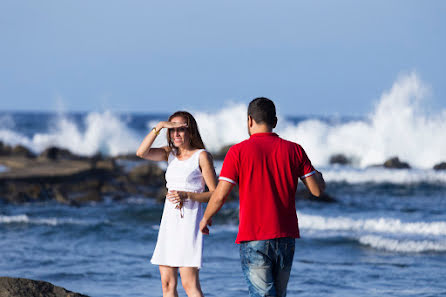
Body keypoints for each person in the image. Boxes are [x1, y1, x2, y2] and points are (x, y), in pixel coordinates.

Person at [199, 97, 325, 297]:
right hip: (285, 236)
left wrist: (205, 218)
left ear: (249, 121)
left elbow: (221, 194)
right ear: (275, 122)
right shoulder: (294, 150)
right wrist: (318, 175)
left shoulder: (237, 152)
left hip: (254, 236)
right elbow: (317, 190)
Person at [136, 111, 217, 297]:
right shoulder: (168, 153)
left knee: (189, 284)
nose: (176, 134)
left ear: (191, 131)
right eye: (172, 130)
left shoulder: (201, 156)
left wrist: (187, 195)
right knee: (167, 284)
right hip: (169, 223)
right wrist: (160, 126)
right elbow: (141, 152)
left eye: (181, 129)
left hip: (189, 223)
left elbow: (215, 194)